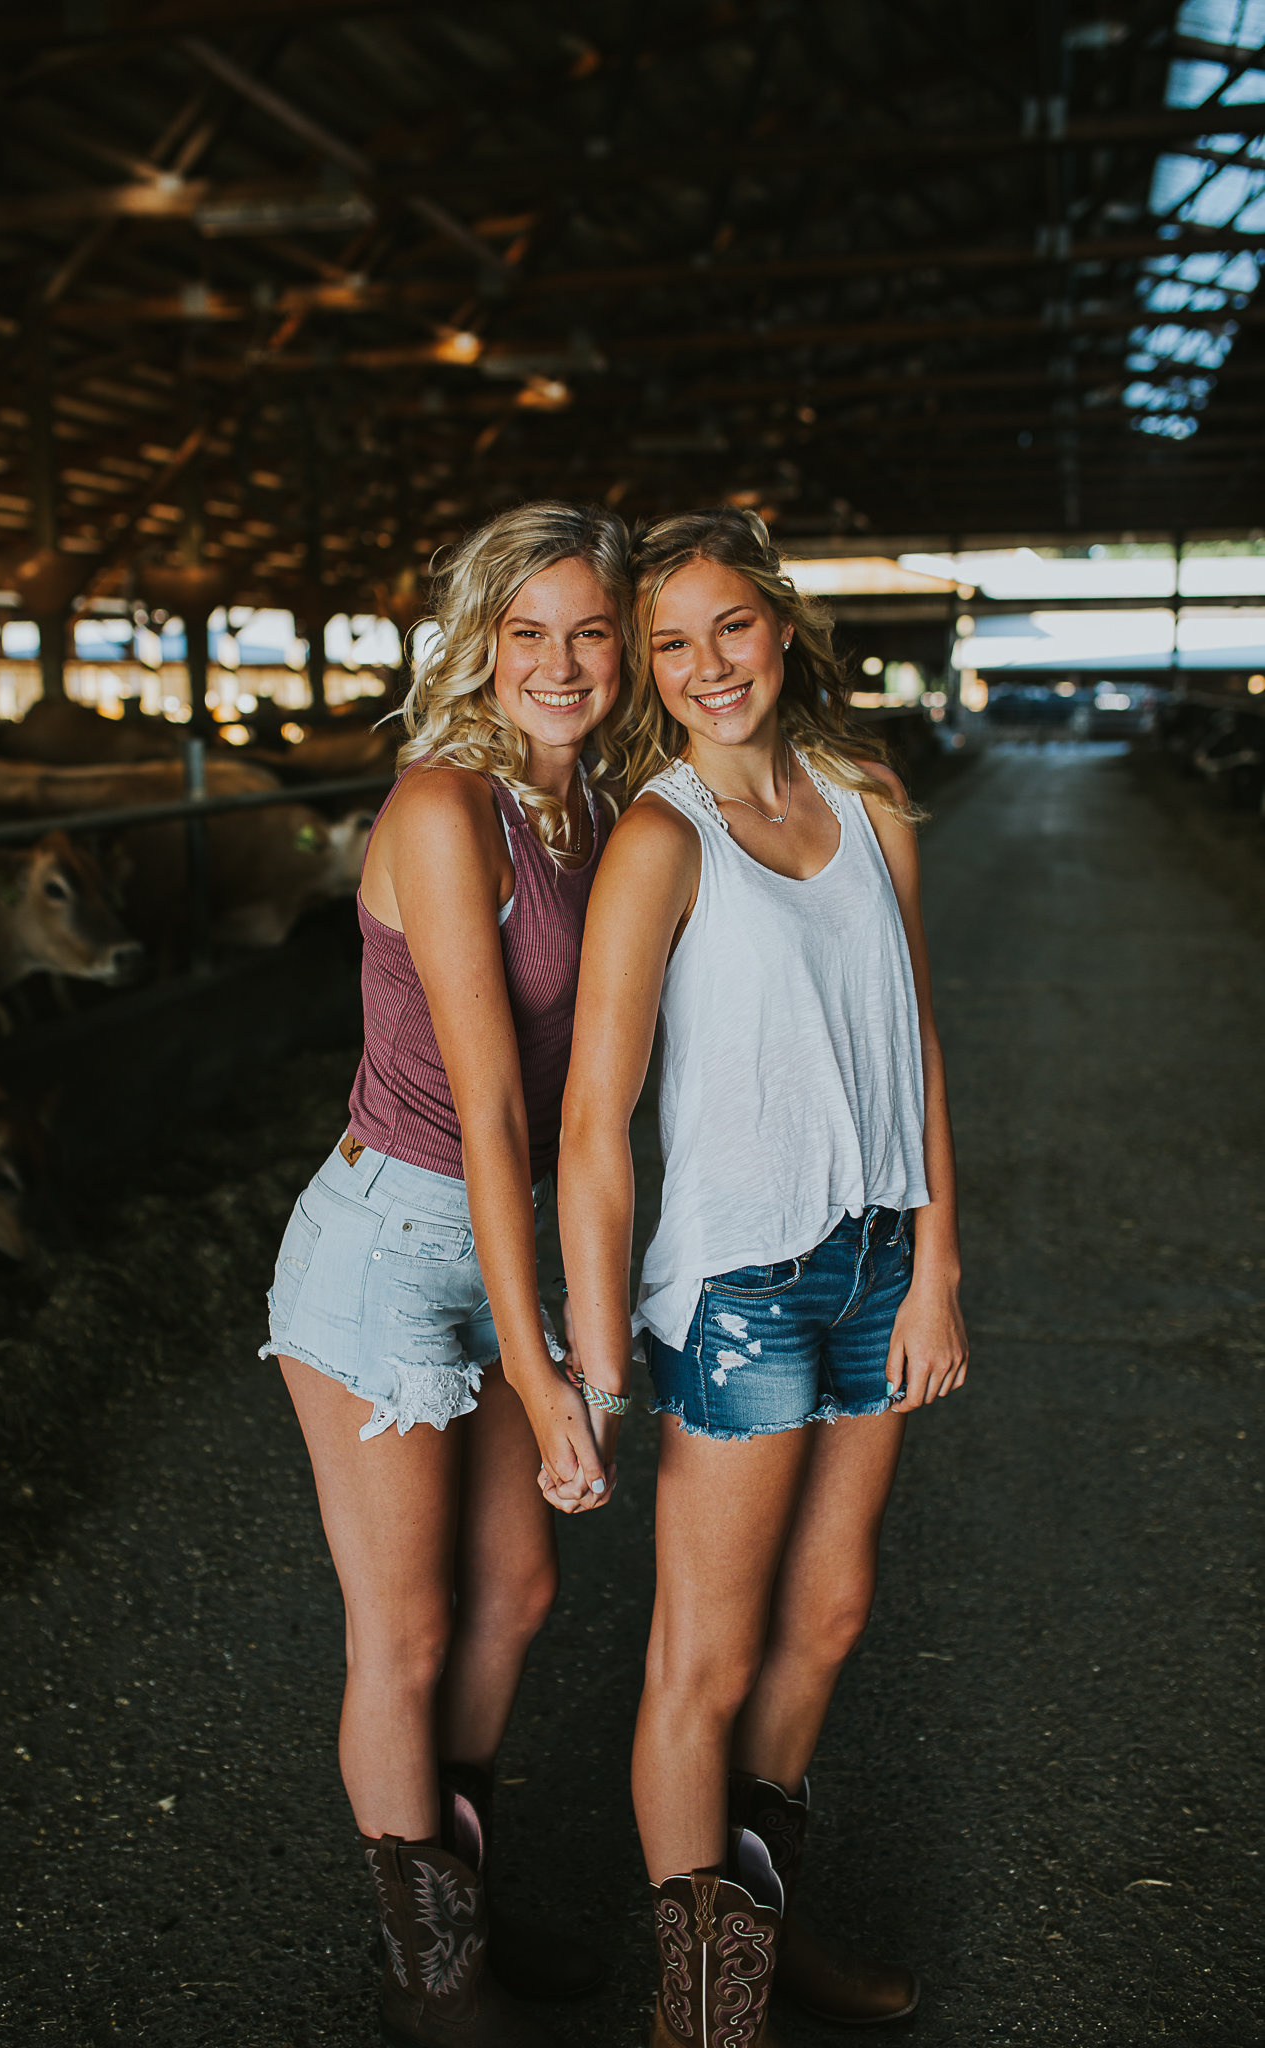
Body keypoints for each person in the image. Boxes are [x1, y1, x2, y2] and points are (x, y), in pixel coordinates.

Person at [557, 507, 968, 2045]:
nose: (703, 665)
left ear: (780, 627)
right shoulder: (660, 837)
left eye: (727, 626)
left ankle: (763, 1929)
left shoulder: (867, 798)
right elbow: (594, 1127)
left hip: (873, 1261)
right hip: (740, 1287)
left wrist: (934, 1263)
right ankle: (701, 2011)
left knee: (833, 1609)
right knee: (705, 1652)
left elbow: (914, 1039)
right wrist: (599, 1367)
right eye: (667, 644)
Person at [262, 501, 630, 2047]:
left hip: (500, 1232)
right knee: (404, 1631)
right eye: (525, 630)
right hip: (388, 1246)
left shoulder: (599, 811)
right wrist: (545, 1371)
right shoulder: (440, 805)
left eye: (589, 632)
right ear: (477, 642)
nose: (558, 662)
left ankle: (455, 1890)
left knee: (522, 1592)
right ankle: (431, 1979)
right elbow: (486, 1103)